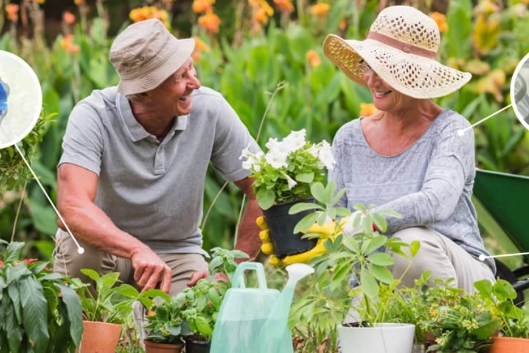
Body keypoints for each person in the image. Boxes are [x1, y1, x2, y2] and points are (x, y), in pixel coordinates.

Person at [261, 5, 496, 293]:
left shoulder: (451, 130)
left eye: (384, 69)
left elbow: (436, 202)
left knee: (411, 243)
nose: (371, 80)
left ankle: (448, 335)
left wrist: (360, 223)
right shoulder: (348, 138)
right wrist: (299, 234)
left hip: (462, 278)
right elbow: (338, 222)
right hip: (376, 285)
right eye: (367, 66)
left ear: (416, 73)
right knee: (354, 329)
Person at [52, 18, 262, 297]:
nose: (195, 83)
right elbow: (72, 206)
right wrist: (136, 249)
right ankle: (86, 337)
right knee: (77, 252)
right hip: (104, 248)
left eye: (191, 68)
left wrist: (229, 271)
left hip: (177, 252)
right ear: (144, 91)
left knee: (197, 318)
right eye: (180, 77)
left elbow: (261, 186)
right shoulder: (93, 114)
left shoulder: (210, 109)